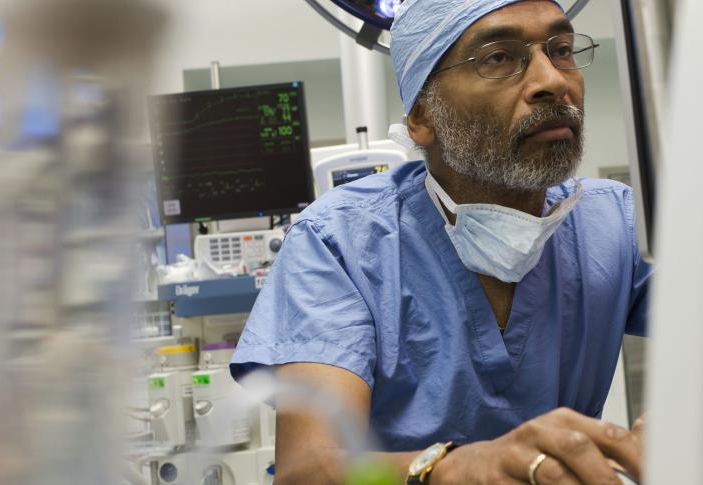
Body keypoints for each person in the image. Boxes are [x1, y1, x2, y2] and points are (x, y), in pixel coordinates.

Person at [230, 0, 652, 483]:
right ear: (422, 119)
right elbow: (307, 470)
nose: (553, 81)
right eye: (498, 57)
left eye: (560, 50)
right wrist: (456, 468)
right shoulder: (343, 243)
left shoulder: (616, 221)